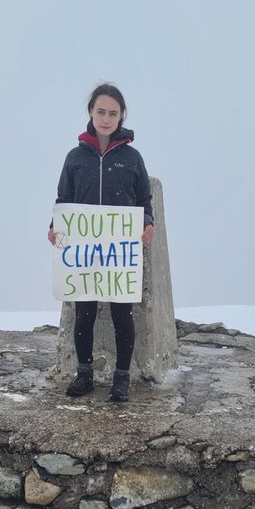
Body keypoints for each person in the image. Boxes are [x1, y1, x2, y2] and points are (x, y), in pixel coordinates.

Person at [48, 83, 155, 403]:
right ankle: (84, 374)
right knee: (84, 314)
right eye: (100, 111)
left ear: (122, 116)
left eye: (113, 112)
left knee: (123, 315)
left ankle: (121, 379)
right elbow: (64, 198)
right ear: (90, 113)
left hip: (119, 254)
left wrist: (147, 222)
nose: (106, 118)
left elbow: (144, 198)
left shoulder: (132, 158)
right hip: (84, 253)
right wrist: (55, 226)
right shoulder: (75, 158)